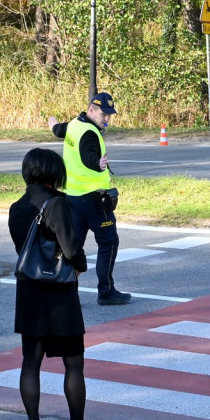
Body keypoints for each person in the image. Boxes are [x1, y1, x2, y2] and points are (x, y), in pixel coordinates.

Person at [8, 148, 101, 420]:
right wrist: (81, 265)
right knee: (73, 363)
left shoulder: (16, 207)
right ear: (52, 173)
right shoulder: (57, 204)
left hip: (30, 293)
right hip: (59, 295)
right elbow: (72, 249)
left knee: (30, 363)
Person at [47, 92, 130, 306]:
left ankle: (66, 290)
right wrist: (97, 164)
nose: (107, 119)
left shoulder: (75, 124)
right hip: (93, 200)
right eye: (103, 114)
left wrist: (54, 126)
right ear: (91, 110)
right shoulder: (90, 133)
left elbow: (60, 131)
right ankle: (106, 292)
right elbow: (88, 154)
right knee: (108, 242)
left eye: (109, 115)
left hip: (73, 198)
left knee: (73, 247)